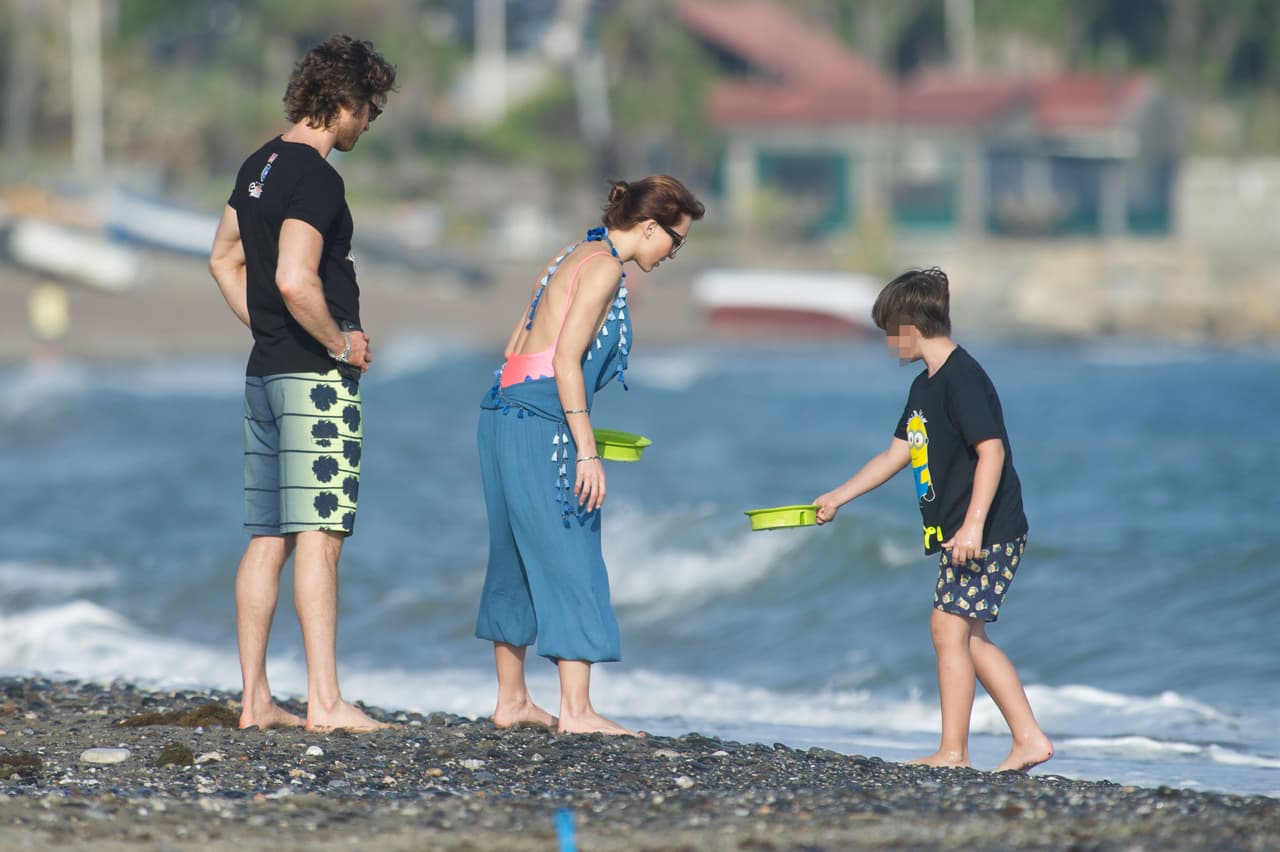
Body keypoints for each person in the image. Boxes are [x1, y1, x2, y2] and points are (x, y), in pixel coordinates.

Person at [207, 34, 396, 732]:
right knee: (320, 534)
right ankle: (325, 702)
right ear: (343, 102)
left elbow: (222, 260)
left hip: (264, 374)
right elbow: (293, 276)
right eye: (369, 107)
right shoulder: (317, 177)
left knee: (267, 537)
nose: (370, 121)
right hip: (314, 380)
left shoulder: (258, 163)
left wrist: (266, 331)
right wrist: (338, 342)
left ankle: (255, 700)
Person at [476, 176, 705, 735]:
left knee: (514, 557)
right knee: (571, 552)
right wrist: (585, 450)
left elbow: (515, 348)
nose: (673, 254)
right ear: (650, 227)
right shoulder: (604, 268)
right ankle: (576, 712)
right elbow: (566, 361)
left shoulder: (569, 254)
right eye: (676, 242)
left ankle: (512, 701)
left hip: (502, 412)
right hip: (542, 420)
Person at [811, 268, 1053, 772]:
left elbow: (992, 454)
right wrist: (838, 496)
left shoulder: (963, 379)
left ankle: (954, 752)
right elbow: (893, 455)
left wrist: (972, 526)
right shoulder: (925, 386)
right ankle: (1027, 739)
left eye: (887, 333)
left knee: (948, 629)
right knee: (968, 636)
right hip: (966, 533)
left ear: (911, 326)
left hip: (987, 530)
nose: (886, 344)